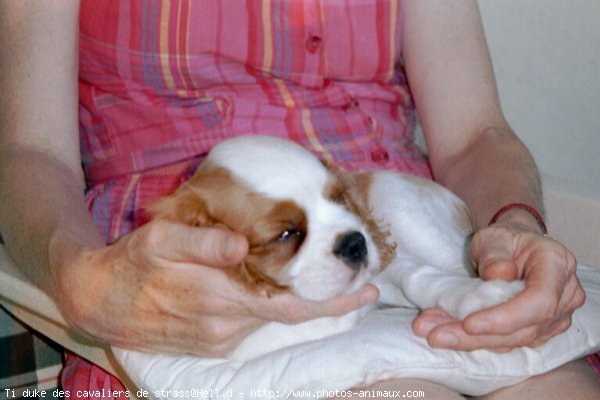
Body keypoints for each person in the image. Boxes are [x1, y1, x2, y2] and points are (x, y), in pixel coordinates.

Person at [0, 0, 597, 399]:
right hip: (194, 287)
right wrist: (81, 279)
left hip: (411, 239)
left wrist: (513, 227)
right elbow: (30, 151)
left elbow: (475, 138)